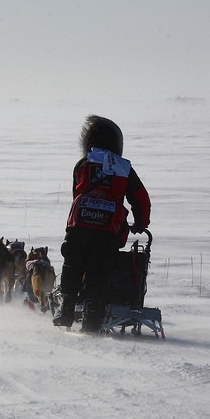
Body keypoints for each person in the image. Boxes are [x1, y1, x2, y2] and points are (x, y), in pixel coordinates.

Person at [52, 115, 151, 332]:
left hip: (79, 223)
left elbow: (75, 193)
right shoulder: (124, 169)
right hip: (108, 229)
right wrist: (141, 223)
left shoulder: (82, 164)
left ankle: (66, 306)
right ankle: (93, 315)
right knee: (99, 269)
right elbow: (140, 198)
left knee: (73, 263)